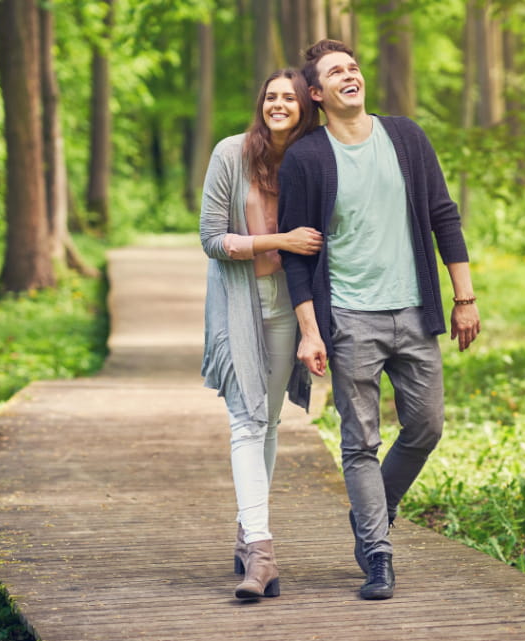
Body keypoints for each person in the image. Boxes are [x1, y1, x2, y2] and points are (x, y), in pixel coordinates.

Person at [278, 39, 481, 600]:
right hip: (348, 318)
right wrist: (311, 330)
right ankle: (377, 554)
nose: (350, 75)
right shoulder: (308, 158)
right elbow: (298, 256)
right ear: (316, 94)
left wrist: (464, 297)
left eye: (354, 67)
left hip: (414, 311)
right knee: (359, 441)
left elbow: (444, 214)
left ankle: (373, 512)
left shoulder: (407, 137)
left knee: (426, 427)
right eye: (335, 72)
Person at [199, 68, 322, 601]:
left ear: (302, 107)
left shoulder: (312, 157)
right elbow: (210, 238)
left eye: (288, 98)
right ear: (260, 104)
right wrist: (281, 240)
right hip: (238, 303)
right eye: (270, 96)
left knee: (267, 421)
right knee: (247, 421)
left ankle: (248, 532)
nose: (277, 104)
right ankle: (264, 552)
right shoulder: (231, 154)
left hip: (289, 304)